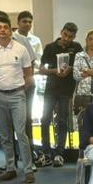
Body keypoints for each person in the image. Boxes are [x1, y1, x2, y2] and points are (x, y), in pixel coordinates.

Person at [0, 16, 35, 184]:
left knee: (21, 133)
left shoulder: (21, 49)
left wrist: (20, 90)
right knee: (5, 135)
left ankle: (28, 170)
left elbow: (29, 75)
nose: (3, 30)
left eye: (6, 27)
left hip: (18, 95)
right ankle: (10, 168)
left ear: (11, 30)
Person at [37, 21, 81, 167]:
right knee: (45, 119)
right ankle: (46, 152)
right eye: (65, 35)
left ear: (74, 37)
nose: (67, 38)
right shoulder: (50, 47)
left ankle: (59, 154)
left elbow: (81, 66)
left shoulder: (77, 47)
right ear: (61, 32)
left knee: (62, 121)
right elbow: (41, 69)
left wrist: (71, 69)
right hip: (51, 89)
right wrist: (55, 71)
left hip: (66, 90)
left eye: (71, 36)